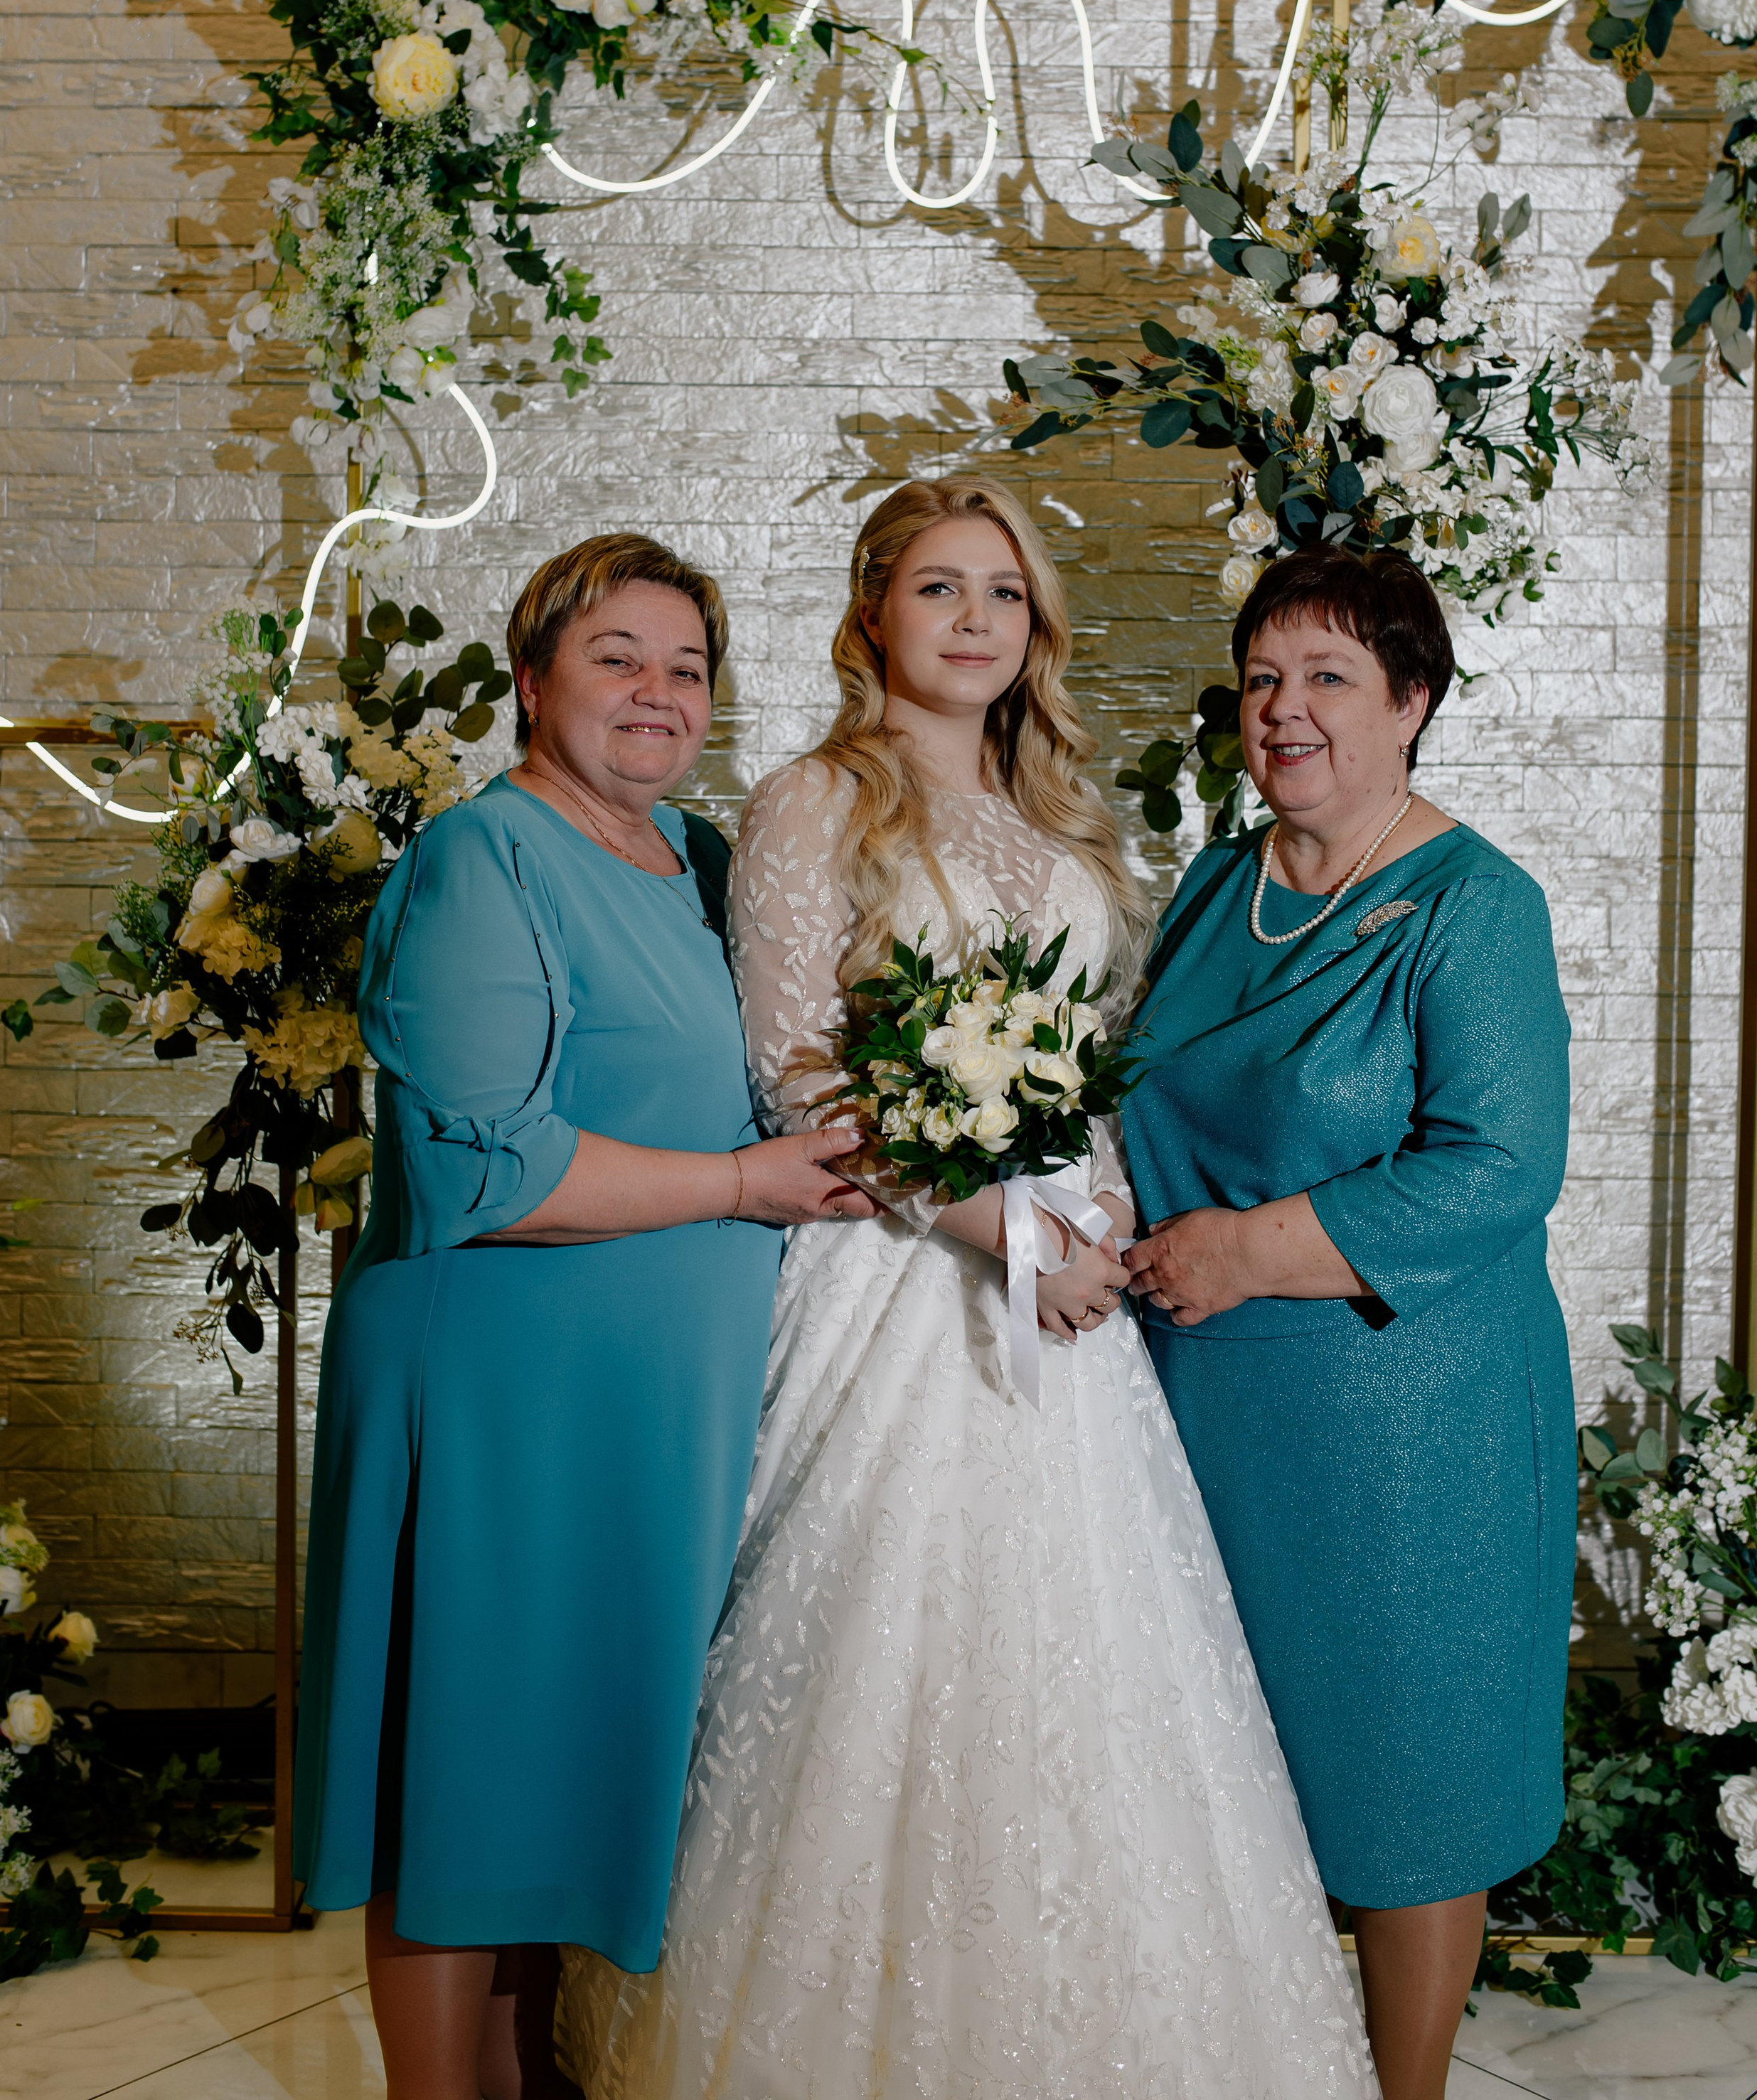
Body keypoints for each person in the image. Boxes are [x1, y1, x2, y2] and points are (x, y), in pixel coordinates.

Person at [563, 479, 1378, 2100]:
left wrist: (1102, 1215)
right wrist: (999, 1230)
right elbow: (801, 1079)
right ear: (874, 614)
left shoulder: (1059, 819)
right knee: (877, 1669)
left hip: (1073, 1288)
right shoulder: (811, 802)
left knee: (1093, 1676)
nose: (971, 619)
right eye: (936, 587)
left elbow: (1092, 1073)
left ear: (1033, 628)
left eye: (1001, 591)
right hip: (897, 1280)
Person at [293, 534, 872, 2100]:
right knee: (462, 1788)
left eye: (686, 667)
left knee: (557, 1791)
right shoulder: (481, 860)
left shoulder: (690, 861)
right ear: (533, 675)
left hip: (640, 1415)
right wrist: (750, 1182)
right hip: (497, 1395)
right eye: (617, 654)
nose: (657, 691)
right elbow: (484, 1157)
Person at [1121, 545, 1574, 2100]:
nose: (1283, 709)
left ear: (1410, 704)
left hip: (1404, 1424)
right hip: (1205, 1408)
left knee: (1404, 1776)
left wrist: (1248, 1245)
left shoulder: (1468, 904)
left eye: (1326, 677)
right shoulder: (1211, 883)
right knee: (1234, 1769)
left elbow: (1502, 1167)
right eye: (1260, 678)